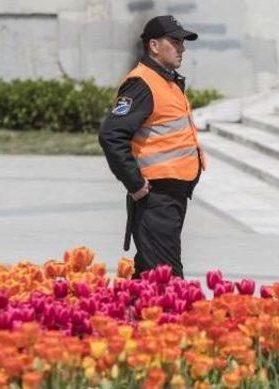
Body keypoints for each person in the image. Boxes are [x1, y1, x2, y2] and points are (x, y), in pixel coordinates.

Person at [98, 15, 205, 279]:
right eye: (175, 41)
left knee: (149, 279)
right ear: (154, 46)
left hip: (172, 199)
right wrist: (134, 183)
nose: (182, 48)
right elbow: (111, 135)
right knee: (168, 283)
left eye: (182, 42)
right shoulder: (142, 83)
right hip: (155, 199)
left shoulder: (167, 80)